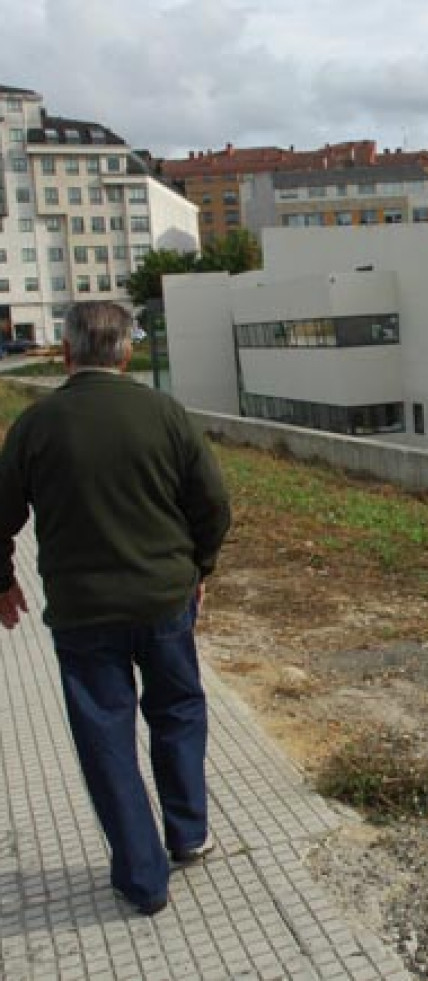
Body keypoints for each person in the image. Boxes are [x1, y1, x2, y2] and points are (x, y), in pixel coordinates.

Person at [0, 301, 231, 916]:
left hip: (82, 616)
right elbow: (213, 504)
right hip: (164, 602)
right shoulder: (165, 413)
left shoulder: (36, 425)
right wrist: (198, 570)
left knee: (106, 738)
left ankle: (143, 879)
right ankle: (188, 834)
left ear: (69, 353)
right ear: (127, 353)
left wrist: (4, 581)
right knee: (178, 709)